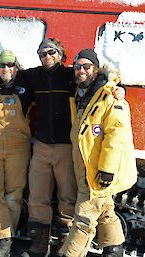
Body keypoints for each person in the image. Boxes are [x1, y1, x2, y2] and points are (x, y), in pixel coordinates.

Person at [19, 38, 125, 257]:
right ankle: (38, 246)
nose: (47, 56)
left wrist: (118, 87)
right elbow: (8, 77)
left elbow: (101, 82)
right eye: (42, 53)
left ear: (61, 54)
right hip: (41, 145)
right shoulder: (33, 76)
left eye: (52, 52)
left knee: (68, 197)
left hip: (67, 148)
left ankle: (64, 243)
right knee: (38, 195)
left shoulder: (71, 76)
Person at [58, 49, 137, 257]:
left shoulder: (108, 95)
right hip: (86, 167)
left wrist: (107, 170)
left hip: (97, 171)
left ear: (96, 69)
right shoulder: (82, 93)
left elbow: (115, 135)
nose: (81, 71)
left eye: (86, 66)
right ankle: (114, 249)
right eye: (77, 67)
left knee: (84, 220)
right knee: (105, 210)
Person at [0, 50, 33, 257]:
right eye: (2, 65)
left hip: (17, 149)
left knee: (14, 195)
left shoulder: (27, 86)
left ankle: (4, 240)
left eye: (10, 65)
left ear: (16, 67)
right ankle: (2, 237)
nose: (6, 69)